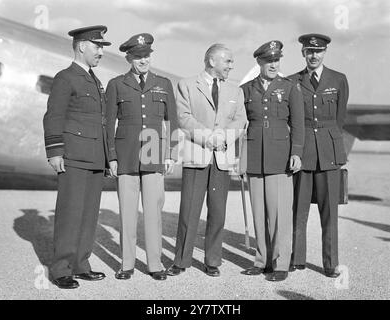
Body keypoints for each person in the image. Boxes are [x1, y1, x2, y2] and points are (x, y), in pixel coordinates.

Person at [166, 44, 247, 277]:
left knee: (218, 212)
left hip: (222, 158)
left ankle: (212, 260)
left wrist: (222, 137)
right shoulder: (186, 85)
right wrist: (208, 138)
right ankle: (181, 261)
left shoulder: (236, 91)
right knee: (189, 211)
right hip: (196, 156)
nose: (232, 66)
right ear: (212, 61)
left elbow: (240, 121)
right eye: (228, 61)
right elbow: (183, 118)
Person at [105, 33, 179, 281]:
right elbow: (109, 124)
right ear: (129, 58)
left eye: (146, 55)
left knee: (153, 213)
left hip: (154, 154)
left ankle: (155, 264)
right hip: (125, 156)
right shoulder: (116, 84)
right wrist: (111, 157)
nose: (143, 60)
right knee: (127, 212)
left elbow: (173, 122)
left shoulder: (164, 84)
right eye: (138, 56)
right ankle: (126, 264)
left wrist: (171, 154)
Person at [43, 25, 111, 289]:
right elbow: (54, 115)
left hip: (94, 157)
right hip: (73, 156)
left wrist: (107, 157)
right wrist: (55, 151)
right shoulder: (66, 77)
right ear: (82, 46)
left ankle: (81, 264)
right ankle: (61, 269)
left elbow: (102, 122)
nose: (101, 53)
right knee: (70, 214)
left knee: (88, 215)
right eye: (97, 46)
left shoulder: (94, 80)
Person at [239, 40, 304, 281]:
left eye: (277, 60)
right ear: (259, 62)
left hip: (280, 157)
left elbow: (298, 123)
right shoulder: (246, 89)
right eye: (269, 61)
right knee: (259, 213)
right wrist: (241, 158)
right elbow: (239, 123)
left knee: (279, 214)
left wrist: (296, 152)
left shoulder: (289, 88)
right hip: (255, 156)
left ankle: (281, 264)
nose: (273, 64)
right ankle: (262, 260)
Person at [289, 34, 349, 277]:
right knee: (299, 209)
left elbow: (340, 118)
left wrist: (334, 148)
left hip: (328, 152)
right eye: (309, 51)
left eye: (318, 51)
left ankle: (331, 263)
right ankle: (297, 259)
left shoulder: (338, 79)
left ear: (325, 53)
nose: (313, 56)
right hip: (303, 152)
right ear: (303, 53)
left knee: (329, 212)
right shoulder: (292, 80)